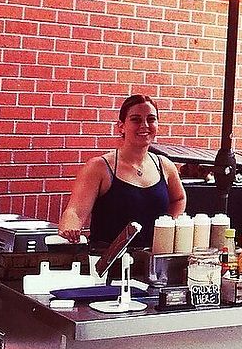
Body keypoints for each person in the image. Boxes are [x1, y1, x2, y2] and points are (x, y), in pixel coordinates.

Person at [58, 94, 186, 248]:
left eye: (151, 119)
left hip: (153, 260)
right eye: (136, 119)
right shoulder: (99, 167)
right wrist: (69, 227)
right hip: (109, 263)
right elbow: (75, 211)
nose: (144, 125)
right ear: (121, 126)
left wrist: (169, 224)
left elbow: (179, 198)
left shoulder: (165, 165)